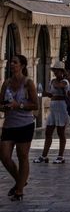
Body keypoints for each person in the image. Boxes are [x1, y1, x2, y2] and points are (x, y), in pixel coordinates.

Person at [1, 55, 37, 201]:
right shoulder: (6, 83)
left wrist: (19, 105)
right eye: (11, 62)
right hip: (9, 124)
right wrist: (5, 107)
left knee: (23, 156)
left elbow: (35, 105)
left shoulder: (28, 83)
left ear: (22, 65)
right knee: (4, 155)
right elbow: (0, 103)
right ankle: (20, 181)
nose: (11, 64)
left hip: (25, 124)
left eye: (15, 62)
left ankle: (19, 190)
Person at [35, 63, 70, 164]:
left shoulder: (65, 81)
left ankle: (60, 156)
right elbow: (51, 94)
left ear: (62, 72)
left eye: (57, 70)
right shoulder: (52, 81)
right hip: (53, 108)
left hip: (62, 107)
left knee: (61, 132)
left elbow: (59, 86)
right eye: (54, 70)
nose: (55, 72)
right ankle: (44, 155)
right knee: (48, 132)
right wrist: (44, 93)